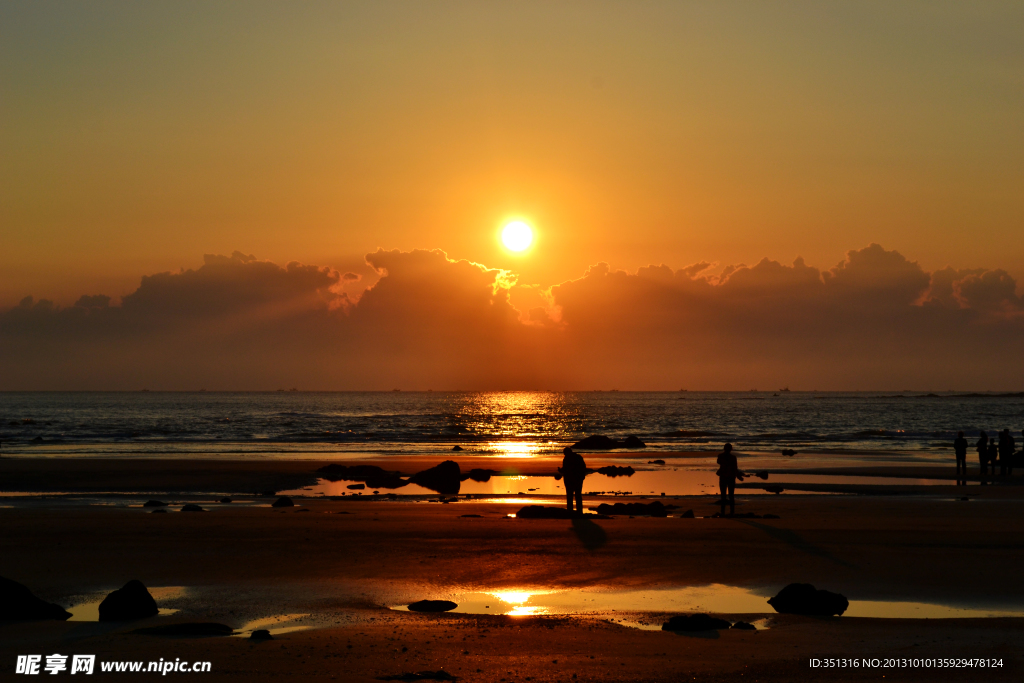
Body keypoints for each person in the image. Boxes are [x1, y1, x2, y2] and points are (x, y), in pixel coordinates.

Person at [716, 443, 744, 516]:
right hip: (730, 477)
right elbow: (735, 468)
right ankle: (731, 512)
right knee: (731, 495)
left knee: (724, 495)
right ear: (731, 449)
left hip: (724, 477)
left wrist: (738, 475)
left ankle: (723, 512)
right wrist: (738, 476)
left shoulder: (721, 456)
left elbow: (719, 462)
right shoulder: (733, 457)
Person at [560, 446, 588, 515]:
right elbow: (583, 467)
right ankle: (579, 511)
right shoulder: (578, 457)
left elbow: (565, 469)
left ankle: (570, 511)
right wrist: (582, 476)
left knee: (570, 495)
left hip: (569, 479)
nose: (564, 455)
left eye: (565, 453)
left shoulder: (566, 459)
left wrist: (560, 471)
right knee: (578, 495)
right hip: (578, 478)